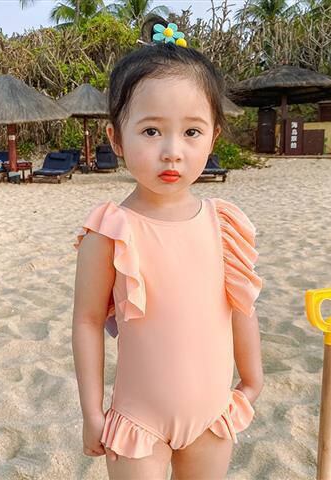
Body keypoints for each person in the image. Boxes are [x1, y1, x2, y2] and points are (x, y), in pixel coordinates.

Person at [72, 39, 264, 480]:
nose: (172, 150)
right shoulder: (110, 230)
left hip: (212, 415)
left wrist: (253, 379)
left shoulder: (223, 224)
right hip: (137, 423)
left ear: (214, 137)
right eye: (151, 131)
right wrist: (91, 412)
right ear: (116, 139)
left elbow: (241, 305)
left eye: (192, 132)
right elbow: (86, 322)